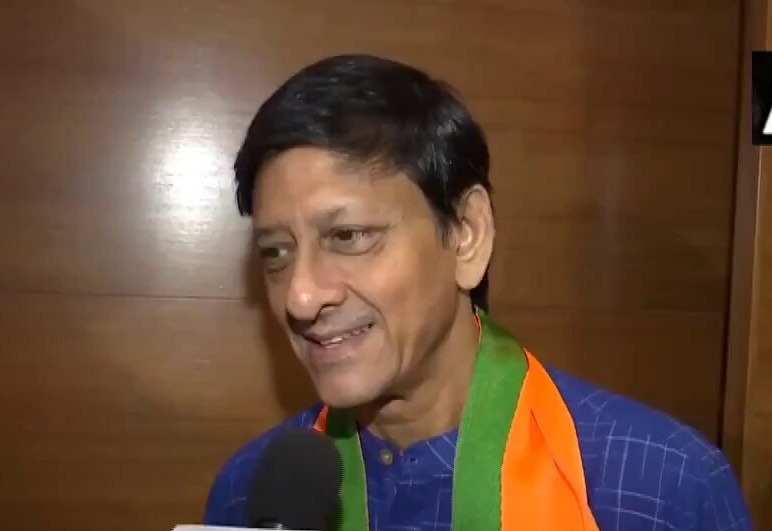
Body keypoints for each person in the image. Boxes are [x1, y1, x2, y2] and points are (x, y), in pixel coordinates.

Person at [204, 54, 752, 530]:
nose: (300, 297)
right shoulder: (249, 493)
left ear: (467, 234)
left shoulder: (659, 487)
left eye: (348, 236)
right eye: (276, 252)